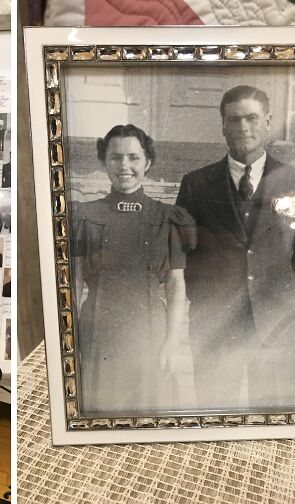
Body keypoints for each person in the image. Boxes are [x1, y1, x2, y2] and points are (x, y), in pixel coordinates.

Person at [175, 85, 295, 409]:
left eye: (251, 118)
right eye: (233, 120)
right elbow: (182, 254)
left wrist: (290, 303)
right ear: (222, 125)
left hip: (277, 326)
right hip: (215, 327)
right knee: (214, 416)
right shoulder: (195, 184)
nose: (243, 127)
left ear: (267, 122)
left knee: (275, 421)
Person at [71, 123, 195, 415]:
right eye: (115, 157)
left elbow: (176, 286)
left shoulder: (167, 218)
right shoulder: (84, 216)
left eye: (133, 157)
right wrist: (71, 341)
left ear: (147, 162)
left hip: (150, 334)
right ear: (103, 161)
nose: (124, 166)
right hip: (97, 332)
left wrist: (171, 345)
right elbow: (73, 284)